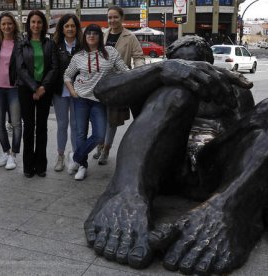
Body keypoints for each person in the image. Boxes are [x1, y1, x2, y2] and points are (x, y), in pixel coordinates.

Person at [84, 36, 266, 275]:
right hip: (166, 168)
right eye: (182, 66)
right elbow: (103, 90)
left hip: (211, 171)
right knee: (174, 94)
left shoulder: (230, 88)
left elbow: (248, 141)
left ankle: (228, 209)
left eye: (197, 65)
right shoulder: (161, 83)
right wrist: (161, 71)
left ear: (210, 65)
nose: (191, 73)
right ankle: (126, 192)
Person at [64, 24, 130, 181]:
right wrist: (72, 91)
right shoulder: (78, 56)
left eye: (95, 33)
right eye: (88, 34)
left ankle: (75, 156)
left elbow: (124, 70)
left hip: (99, 100)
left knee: (100, 135)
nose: (91, 36)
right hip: (80, 99)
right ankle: (82, 166)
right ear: (84, 37)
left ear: (100, 36)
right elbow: (67, 75)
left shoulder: (110, 53)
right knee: (80, 133)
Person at [94, 5, 145, 165]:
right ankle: (100, 144)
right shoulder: (102, 34)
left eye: (115, 17)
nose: (112, 20)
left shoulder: (130, 37)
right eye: (110, 17)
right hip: (99, 83)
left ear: (122, 19)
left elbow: (138, 56)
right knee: (99, 117)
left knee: (112, 119)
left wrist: (138, 70)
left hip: (118, 84)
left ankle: (106, 149)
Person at [16, 10, 58, 178]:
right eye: (33, 22)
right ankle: (28, 166)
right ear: (29, 24)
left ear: (43, 25)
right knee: (28, 127)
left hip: (44, 89)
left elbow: (54, 67)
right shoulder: (21, 43)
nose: (36, 25)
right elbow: (20, 68)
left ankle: (41, 166)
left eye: (39, 22)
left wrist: (42, 88)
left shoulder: (49, 43)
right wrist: (34, 87)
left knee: (42, 127)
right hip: (26, 89)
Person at [0, 11, 22, 170]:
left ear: (14, 25)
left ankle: (13, 155)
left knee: (16, 123)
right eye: (3, 24)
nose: (6, 26)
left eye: (9, 23)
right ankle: (5, 151)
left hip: (14, 88)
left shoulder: (20, 43)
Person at [52, 14, 82, 172]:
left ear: (76, 28)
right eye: (67, 26)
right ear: (62, 29)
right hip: (60, 92)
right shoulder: (55, 45)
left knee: (76, 125)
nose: (70, 29)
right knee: (62, 125)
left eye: (72, 26)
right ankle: (60, 155)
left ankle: (76, 156)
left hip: (78, 92)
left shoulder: (83, 45)